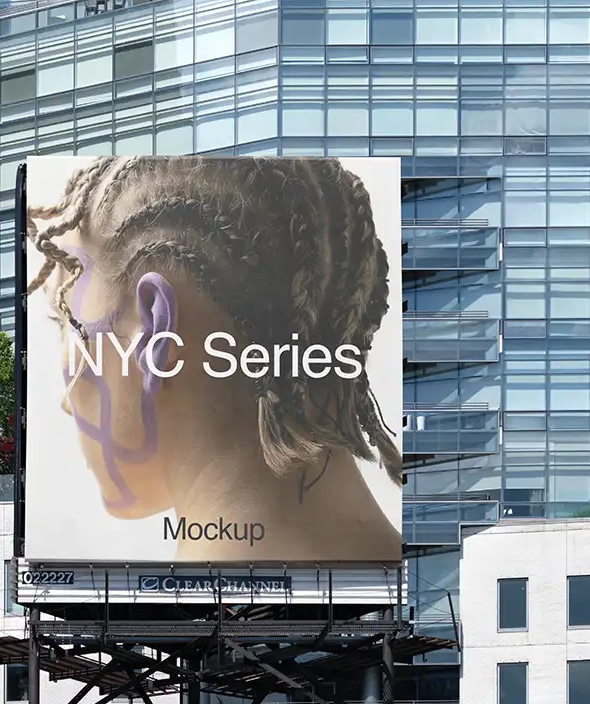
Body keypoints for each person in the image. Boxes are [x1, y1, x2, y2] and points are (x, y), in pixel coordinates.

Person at [26, 156, 402, 564]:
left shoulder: (154, 604)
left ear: (154, 334)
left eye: (67, 319)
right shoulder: (422, 589)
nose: (65, 402)